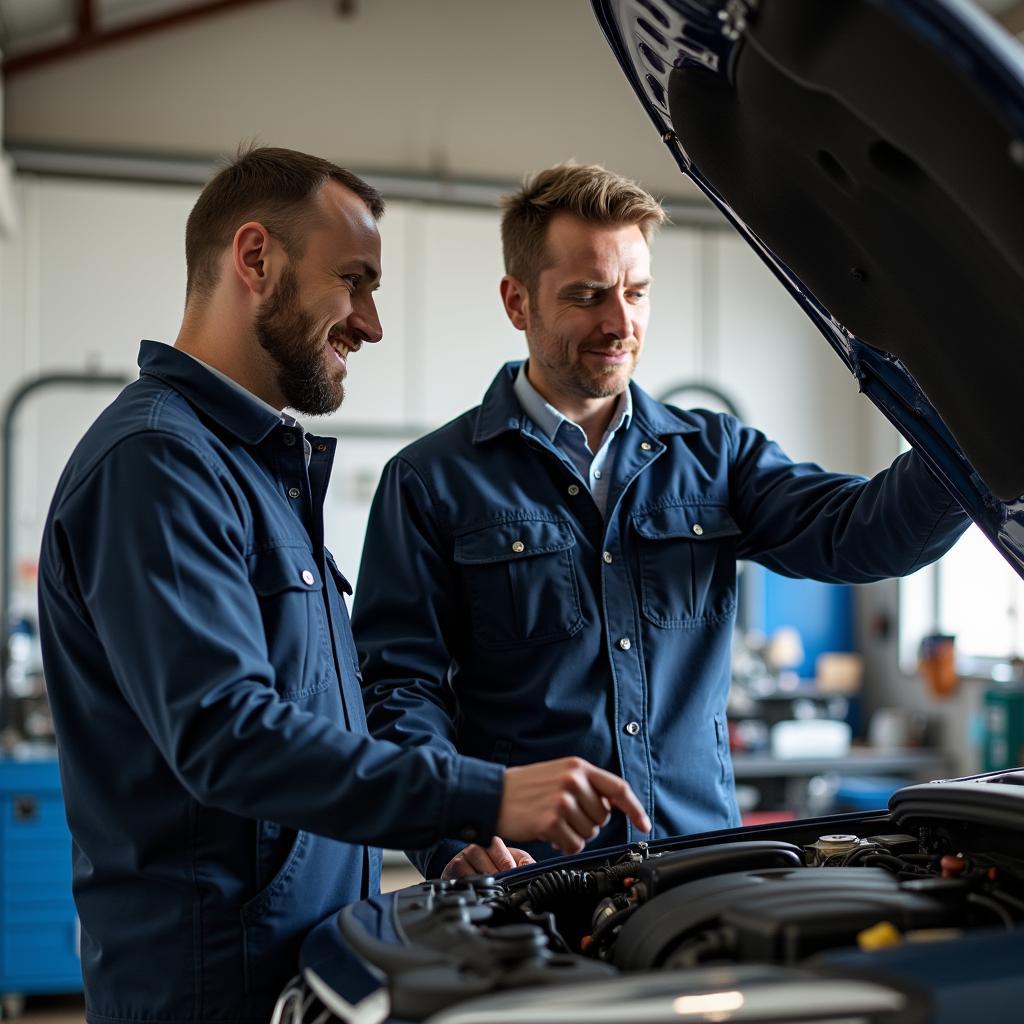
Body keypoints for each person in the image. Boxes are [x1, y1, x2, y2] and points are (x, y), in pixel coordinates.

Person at [36, 148, 650, 1024]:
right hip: (207, 989)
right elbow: (227, 735)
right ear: (256, 259)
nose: (370, 323)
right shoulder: (158, 464)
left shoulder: (247, 471)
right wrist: (488, 792)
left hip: (292, 960)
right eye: (354, 281)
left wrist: (454, 835)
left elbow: (325, 716)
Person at [351, 162, 970, 882]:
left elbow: (862, 533)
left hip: (704, 868)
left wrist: (966, 430)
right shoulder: (432, 480)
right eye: (587, 296)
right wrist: (447, 833)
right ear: (518, 302)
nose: (620, 323)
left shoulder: (717, 455)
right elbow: (398, 688)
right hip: (529, 877)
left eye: (636, 293)